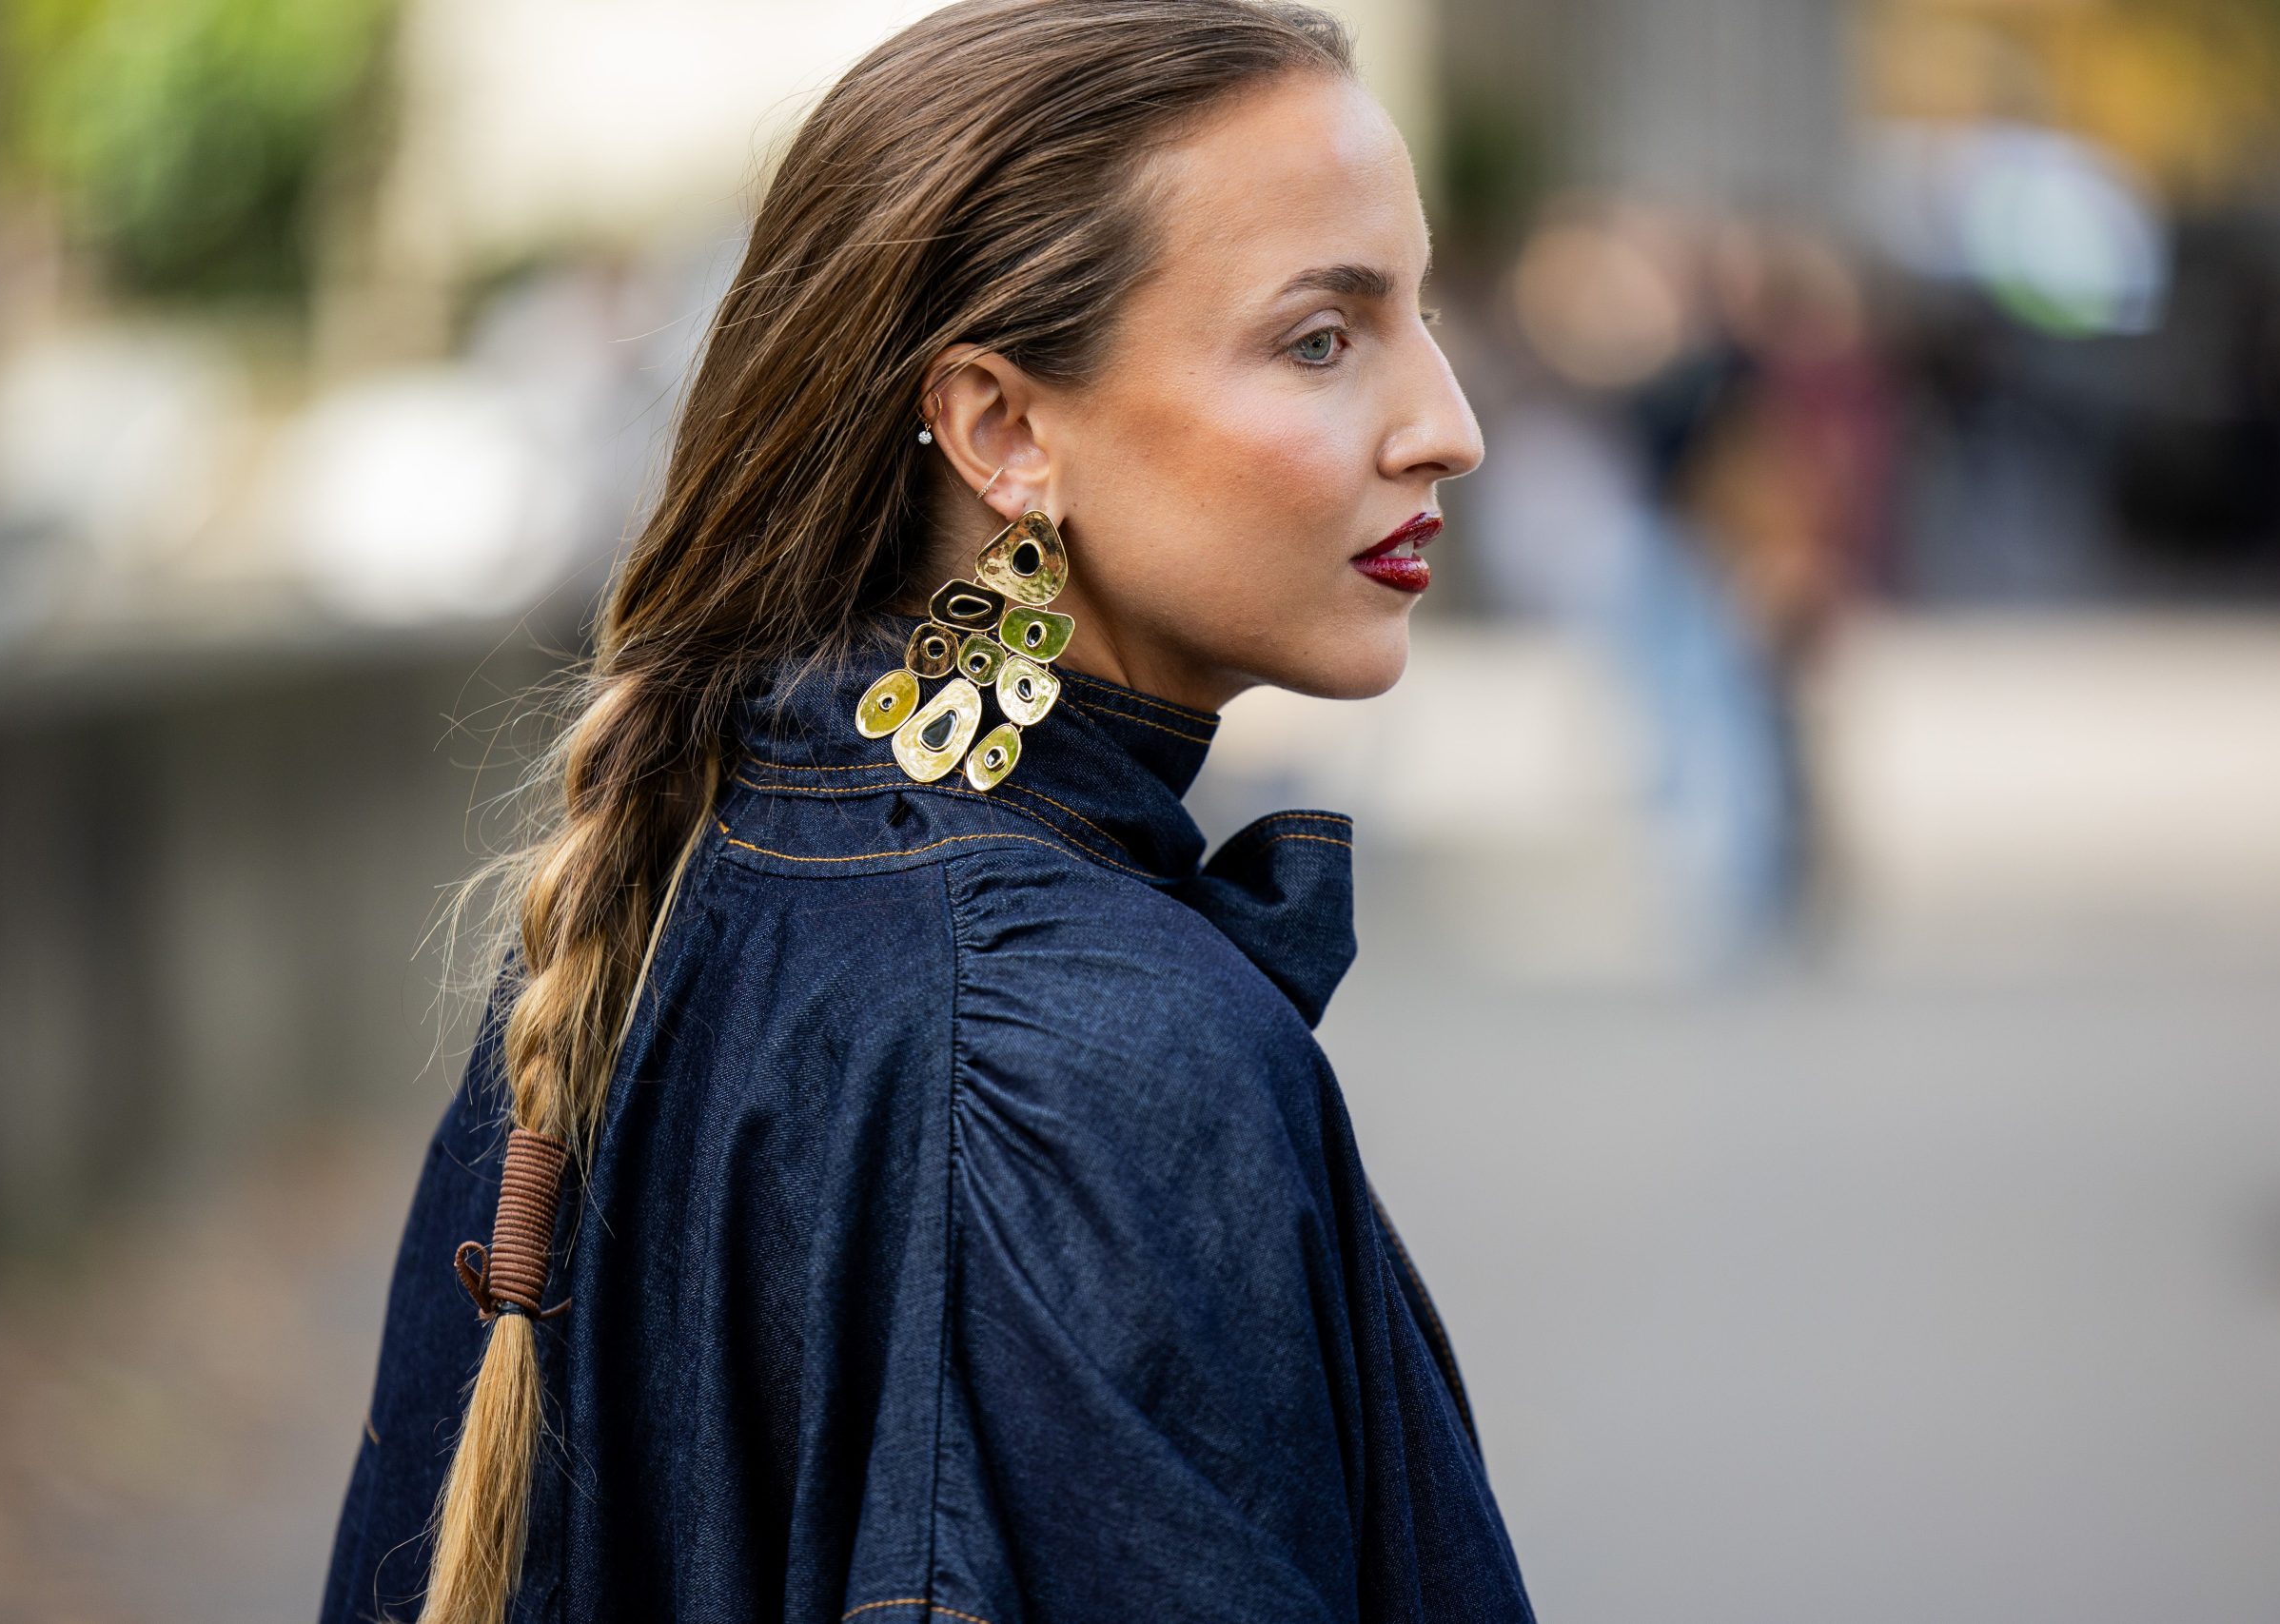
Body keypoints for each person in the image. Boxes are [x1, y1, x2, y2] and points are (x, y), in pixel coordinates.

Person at [319, 4, 1524, 1621]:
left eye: (1420, 316)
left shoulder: (672, 881)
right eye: (1323, 339)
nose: (1446, 424)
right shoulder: (1073, 1057)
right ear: (1004, 431)